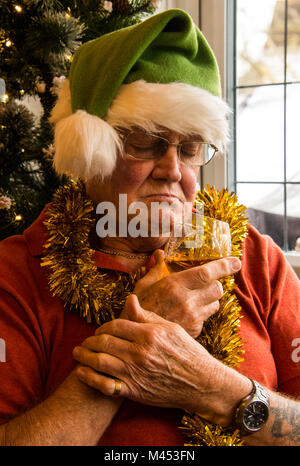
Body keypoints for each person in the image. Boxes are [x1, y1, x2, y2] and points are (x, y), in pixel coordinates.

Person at [0, 8, 300, 447]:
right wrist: (138, 343)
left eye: (192, 148)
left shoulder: (255, 258)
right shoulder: (18, 273)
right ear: (91, 150)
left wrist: (214, 389)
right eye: (144, 142)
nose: (173, 170)